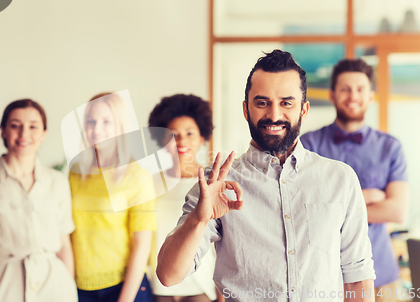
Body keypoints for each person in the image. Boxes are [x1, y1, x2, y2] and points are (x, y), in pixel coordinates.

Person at [156, 50, 376, 302]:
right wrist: (198, 219)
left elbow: (357, 277)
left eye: (286, 103)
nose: (273, 115)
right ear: (246, 110)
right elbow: (169, 275)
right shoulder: (215, 185)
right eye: (262, 103)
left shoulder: (341, 179)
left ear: (303, 110)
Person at [300, 58, 409, 302]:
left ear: (371, 95)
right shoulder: (308, 145)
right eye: (345, 89)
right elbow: (307, 209)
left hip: (382, 277)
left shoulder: (390, 147)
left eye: (360, 89)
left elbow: (398, 210)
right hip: (323, 277)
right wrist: (370, 196)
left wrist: (336, 209)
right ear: (331, 95)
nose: (353, 96)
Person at [0, 99, 77, 302]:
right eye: (15, 126)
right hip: (1, 288)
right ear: (3, 130)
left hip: (54, 289)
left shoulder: (57, 182)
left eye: (33, 127)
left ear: (44, 133)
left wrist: (68, 290)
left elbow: (64, 245)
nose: (24, 134)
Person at [69, 92, 156, 302]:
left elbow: (142, 245)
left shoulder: (138, 176)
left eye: (106, 121)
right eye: (91, 121)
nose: (96, 129)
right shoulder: (75, 173)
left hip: (125, 289)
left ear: (120, 126)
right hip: (80, 288)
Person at [148, 94, 223, 302]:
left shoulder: (212, 182)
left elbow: (221, 240)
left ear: (201, 138)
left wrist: (222, 294)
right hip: (158, 286)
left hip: (201, 285)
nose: (181, 140)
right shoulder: (148, 183)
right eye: (173, 134)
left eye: (189, 133)